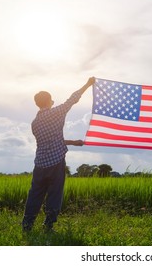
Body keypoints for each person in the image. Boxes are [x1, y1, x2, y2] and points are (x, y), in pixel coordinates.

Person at [22, 77, 96, 232]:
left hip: (40, 163)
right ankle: (48, 225)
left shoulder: (34, 123)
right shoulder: (56, 112)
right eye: (52, 99)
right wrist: (87, 84)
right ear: (49, 100)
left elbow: (51, 140)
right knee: (55, 194)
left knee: (35, 194)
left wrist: (73, 142)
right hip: (55, 162)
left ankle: (27, 224)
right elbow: (73, 99)